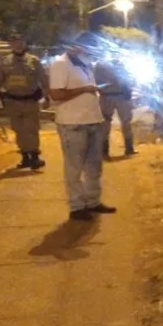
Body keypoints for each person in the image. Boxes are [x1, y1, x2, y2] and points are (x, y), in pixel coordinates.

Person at [48, 32, 117, 221]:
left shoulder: (85, 64)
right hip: (73, 124)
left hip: (93, 122)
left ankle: (93, 201)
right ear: (78, 45)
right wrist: (85, 89)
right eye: (90, 47)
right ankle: (77, 207)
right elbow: (56, 94)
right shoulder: (61, 64)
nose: (93, 51)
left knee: (94, 167)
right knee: (74, 168)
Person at [0, 33, 49, 170]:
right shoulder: (5, 62)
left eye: (21, 41)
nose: (18, 44)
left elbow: (44, 81)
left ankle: (34, 156)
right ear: (11, 44)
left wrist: (47, 98)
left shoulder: (34, 61)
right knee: (19, 130)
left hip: (30, 101)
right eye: (15, 42)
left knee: (31, 129)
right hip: (12, 102)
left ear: (25, 44)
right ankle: (25, 156)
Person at [94, 55, 137, 159]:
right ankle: (126, 149)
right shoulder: (104, 64)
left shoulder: (101, 64)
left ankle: (106, 152)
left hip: (112, 96)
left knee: (110, 123)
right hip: (115, 96)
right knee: (120, 122)